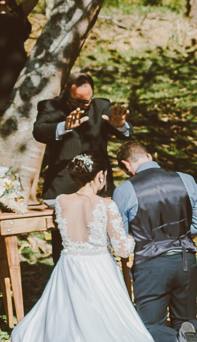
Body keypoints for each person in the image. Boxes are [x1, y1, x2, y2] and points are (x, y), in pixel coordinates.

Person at [1, 154, 197, 342]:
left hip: (69, 266)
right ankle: (195, 334)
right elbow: (122, 249)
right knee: (109, 318)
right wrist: (134, 239)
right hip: (99, 267)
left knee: (69, 315)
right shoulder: (105, 205)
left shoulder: (61, 201)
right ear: (100, 176)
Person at [113, 140, 197, 342]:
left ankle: (179, 341)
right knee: (185, 320)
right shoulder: (186, 179)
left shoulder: (124, 190)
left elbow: (121, 239)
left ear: (126, 164)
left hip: (150, 265)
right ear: (149, 156)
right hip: (185, 260)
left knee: (149, 327)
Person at [34, 74, 131, 260]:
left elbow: (125, 133)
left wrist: (120, 126)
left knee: (101, 237)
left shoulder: (102, 106)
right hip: (62, 184)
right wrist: (63, 127)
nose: (82, 106)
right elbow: (39, 131)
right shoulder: (49, 106)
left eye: (86, 101)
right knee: (63, 241)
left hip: (99, 185)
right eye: (76, 101)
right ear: (66, 92)